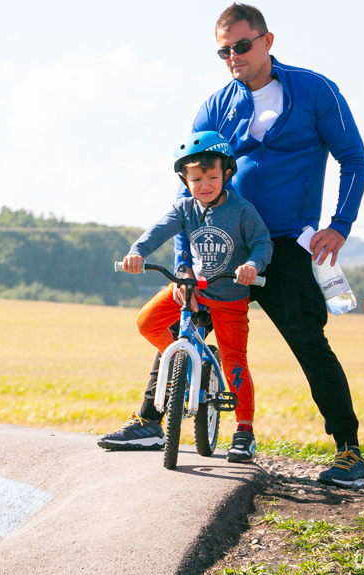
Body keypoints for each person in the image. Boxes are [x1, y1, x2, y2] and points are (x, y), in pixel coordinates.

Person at [99, 3, 364, 487]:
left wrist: (341, 225)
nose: (233, 57)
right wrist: (184, 268)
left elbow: (354, 158)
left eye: (241, 46)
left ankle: (349, 452)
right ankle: (149, 421)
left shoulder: (314, 89)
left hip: (287, 244)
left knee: (309, 343)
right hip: (220, 245)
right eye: (223, 51)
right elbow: (189, 195)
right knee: (184, 329)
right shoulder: (216, 104)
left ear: (268, 41)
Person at [97, 131, 272, 463]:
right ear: (185, 179)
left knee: (235, 361)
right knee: (146, 322)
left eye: (212, 177)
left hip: (230, 296)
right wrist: (137, 252)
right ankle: (184, 364)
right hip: (191, 290)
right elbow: (158, 231)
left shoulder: (241, 211)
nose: (204, 184)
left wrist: (253, 264)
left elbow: (264, 242)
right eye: (196, 178)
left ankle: (244, 431)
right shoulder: (184, 208)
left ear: (227, 174)